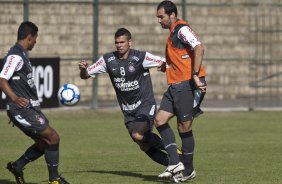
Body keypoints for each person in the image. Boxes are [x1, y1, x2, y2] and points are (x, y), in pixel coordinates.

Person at [79, 28, 170, 167]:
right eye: (117, 42)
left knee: (137, 135)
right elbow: (85, 75)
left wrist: (164, 65)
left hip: (145, 104)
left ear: (130, 42)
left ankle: (174, 151)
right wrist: (83, 69)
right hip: (128, 111)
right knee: (143, 145)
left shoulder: (141, 57)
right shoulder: (108, 60)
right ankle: (173, 165)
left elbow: (165, 62)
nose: (119, 45)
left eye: (122, 42)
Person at [0, 21, 69, 184]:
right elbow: (2, 79)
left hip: (29, 108)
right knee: (53, 137)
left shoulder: (22, 54)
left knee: (43, 143)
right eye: (35, 38)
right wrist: (15, 98)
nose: (36, 42)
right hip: (21, 109)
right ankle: (54, 180)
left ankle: (18, 166)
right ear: (29, 37)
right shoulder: (15, 55)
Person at [155, 0, 207, 182]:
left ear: (172, 15)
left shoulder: (182, 29)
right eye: (158, 17)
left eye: (161, 17)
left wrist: (195, 74)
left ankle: (188, 170)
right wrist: (167, 66)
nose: (159, 20)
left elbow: (199, 48)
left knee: (184, 127)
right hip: (175, 85)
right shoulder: (172, 34)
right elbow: (181, 58)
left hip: (187, 84)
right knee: (159, 120)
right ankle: (176, 162)